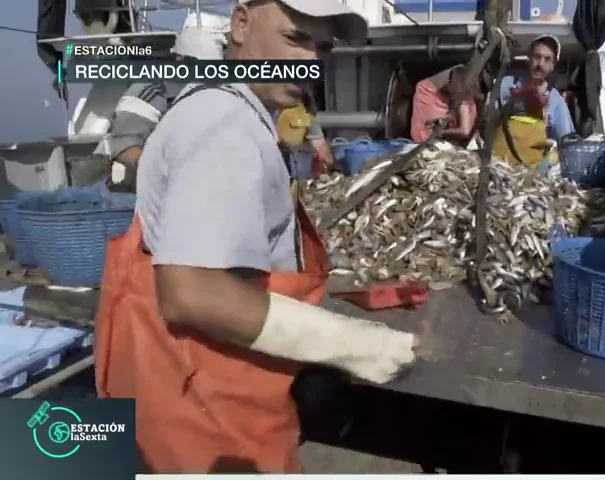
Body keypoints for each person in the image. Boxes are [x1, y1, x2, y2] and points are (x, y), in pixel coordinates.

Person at [94, 0, 417, 473]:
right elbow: (191, 292)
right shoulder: (223, 121)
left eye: (320, 45)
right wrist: (356, 343)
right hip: (209, 417)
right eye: (294, 37)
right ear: (241, 24)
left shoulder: (235, 108)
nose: (309, 59)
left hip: (195, 395)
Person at [95, 28, 226, 191]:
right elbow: (124, 149)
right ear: (180, 60)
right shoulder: (150, 91)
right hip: (136, 196)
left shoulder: (221, 97)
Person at [492, 34, 574, 168]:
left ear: (553, 66)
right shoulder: (505, 85)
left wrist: (548, 158)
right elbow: (487, 121)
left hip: (531, 173)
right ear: (528, 59)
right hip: (498, 166)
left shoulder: (556, 101)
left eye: (547, 59)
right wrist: (511, 105)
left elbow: (566, 143)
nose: (540, 64)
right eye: (537, 57)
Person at [409, 65, 478, 144]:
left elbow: (465, 131)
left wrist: (442, 132)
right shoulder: (471, 101)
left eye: (451, 81)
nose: (448, 83)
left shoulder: (463, 105)